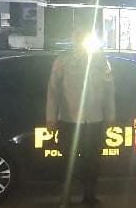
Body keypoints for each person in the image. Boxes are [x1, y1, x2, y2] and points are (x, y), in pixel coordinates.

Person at [46, 30, 115, 206]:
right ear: (73, 39)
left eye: (83, 37)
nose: (80, 41)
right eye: (77, 37)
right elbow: (53, 91)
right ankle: (66, 196)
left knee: (93, 160)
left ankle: (89, 194)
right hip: (69, 120)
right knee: (67, 160)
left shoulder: (101, 61)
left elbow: (109, 91)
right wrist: (51, 118)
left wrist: (110, 116)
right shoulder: (62, 61)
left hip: (94, 120)